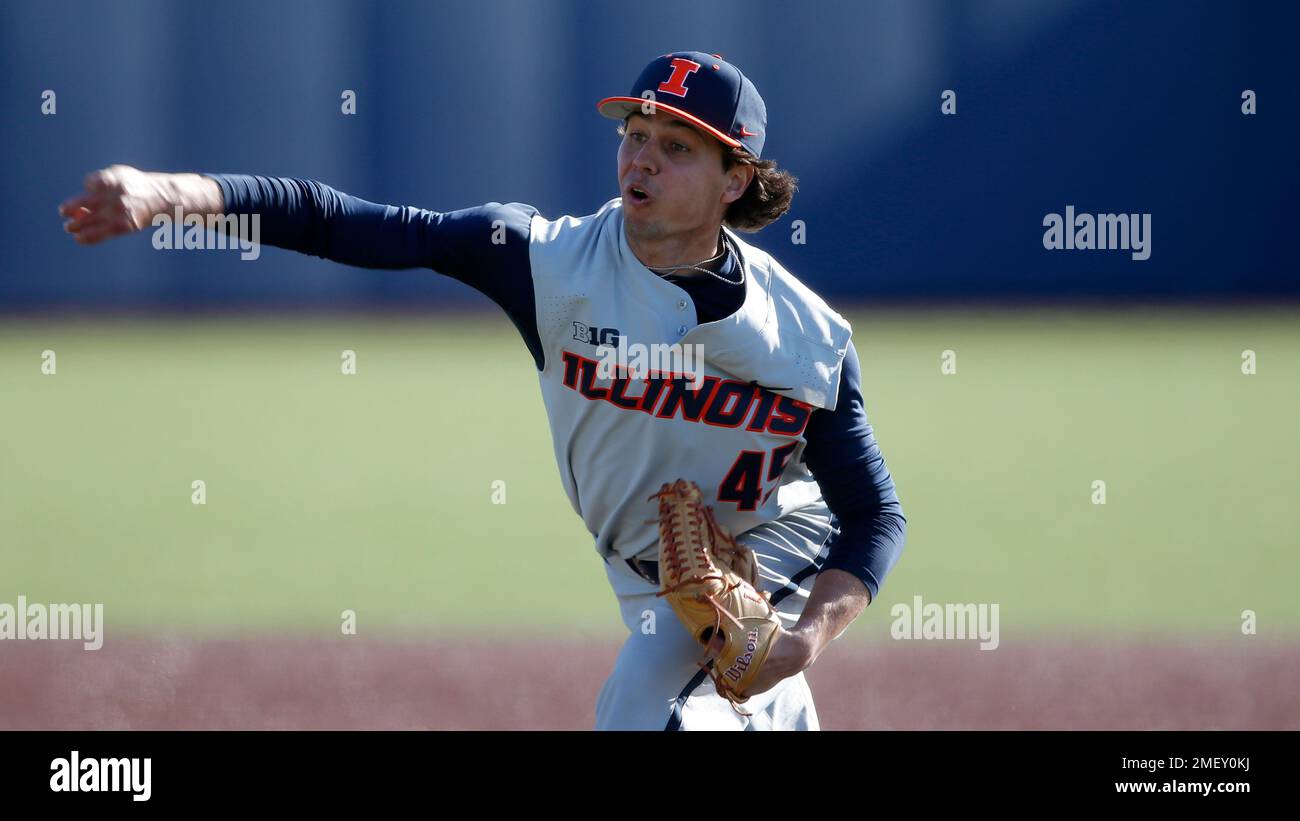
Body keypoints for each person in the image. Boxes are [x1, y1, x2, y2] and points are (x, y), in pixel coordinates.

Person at [59, 51, 906, 730]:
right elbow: (338, 219)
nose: (641, 158)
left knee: (645, 709)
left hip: (772, 554)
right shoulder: (544, 262)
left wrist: (804, 638)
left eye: (675, 146)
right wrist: (171, 195)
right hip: (654, 580)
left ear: (734, 180)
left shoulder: (806, 336)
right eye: (635, 133)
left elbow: (873, 513)